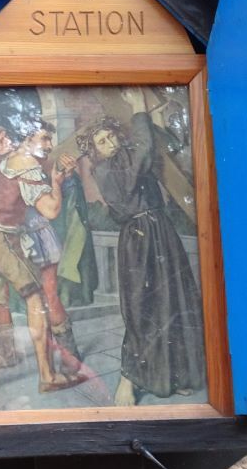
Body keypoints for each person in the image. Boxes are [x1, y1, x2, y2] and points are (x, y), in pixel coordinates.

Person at [78, 89, 205, 406]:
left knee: (173, 301)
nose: (110, 143)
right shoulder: (105, 169)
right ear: (95, 151)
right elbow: (145, 150)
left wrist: (152, 118)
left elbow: (151, 151)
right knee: (142, 309)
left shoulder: (125, 158)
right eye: (102, 142)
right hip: (138, 240)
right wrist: (138, 107)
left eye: (111, 136)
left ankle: (172, 376)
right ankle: (129, 379)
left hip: (160, 231)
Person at [0, 118, 84, 391]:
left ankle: (7, 355)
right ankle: (47, 376)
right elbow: (51, 210)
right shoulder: (27, 166)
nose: (50, 144)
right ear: (26, 138)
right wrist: (56, 182)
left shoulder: (3, 160)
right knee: (37, 298)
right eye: (44, 138)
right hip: (4, 239)